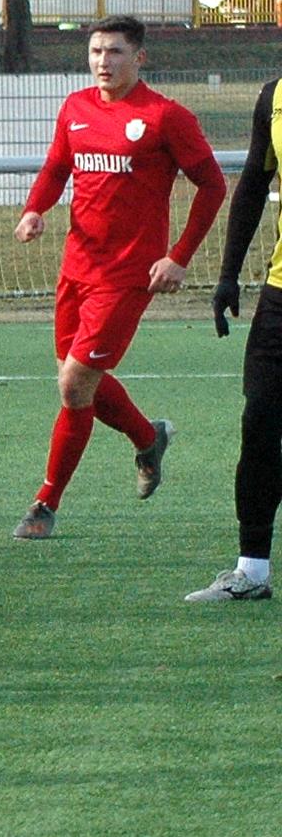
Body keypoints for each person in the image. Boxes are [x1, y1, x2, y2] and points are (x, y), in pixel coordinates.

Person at [10, 15, 226, 541]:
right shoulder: (76, 107)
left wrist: (177, 256)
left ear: (139, 57)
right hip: (76, 268)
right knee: (79, 383)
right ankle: (147, 438)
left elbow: (213, 186)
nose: (103, 62)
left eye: (115, 52)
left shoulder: (165, 117)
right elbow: (57, 168)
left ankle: (44, 504)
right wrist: (35, 209)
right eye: (96, 52)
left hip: (129, 274)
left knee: (74, 382)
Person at [189, 76, 280, 601]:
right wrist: (228, 274)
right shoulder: (273, 96)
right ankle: (252, 571)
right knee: (261, 421)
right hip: (279, 292)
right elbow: (251, 183)